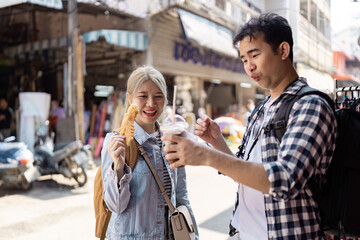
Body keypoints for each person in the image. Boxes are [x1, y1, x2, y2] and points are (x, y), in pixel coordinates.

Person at [162, 13, 337, 240]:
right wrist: (216, 142)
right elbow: (244, 172)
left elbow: (283, 180)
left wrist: (205, 156)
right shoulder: (262, 108)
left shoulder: (310, 105)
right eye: (244, 59)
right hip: (243, 233)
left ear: (283, 51)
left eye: (255, 55)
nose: (249, 66)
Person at [101, 66, 198, 240]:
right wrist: (118, 166)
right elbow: (115, 206)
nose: (151, 104)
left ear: (166, 100)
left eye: (158, 96)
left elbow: (181, 196)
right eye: (143, 96)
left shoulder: (172, 140)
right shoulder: (117, 142)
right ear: (129, 98)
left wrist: (193, 236)